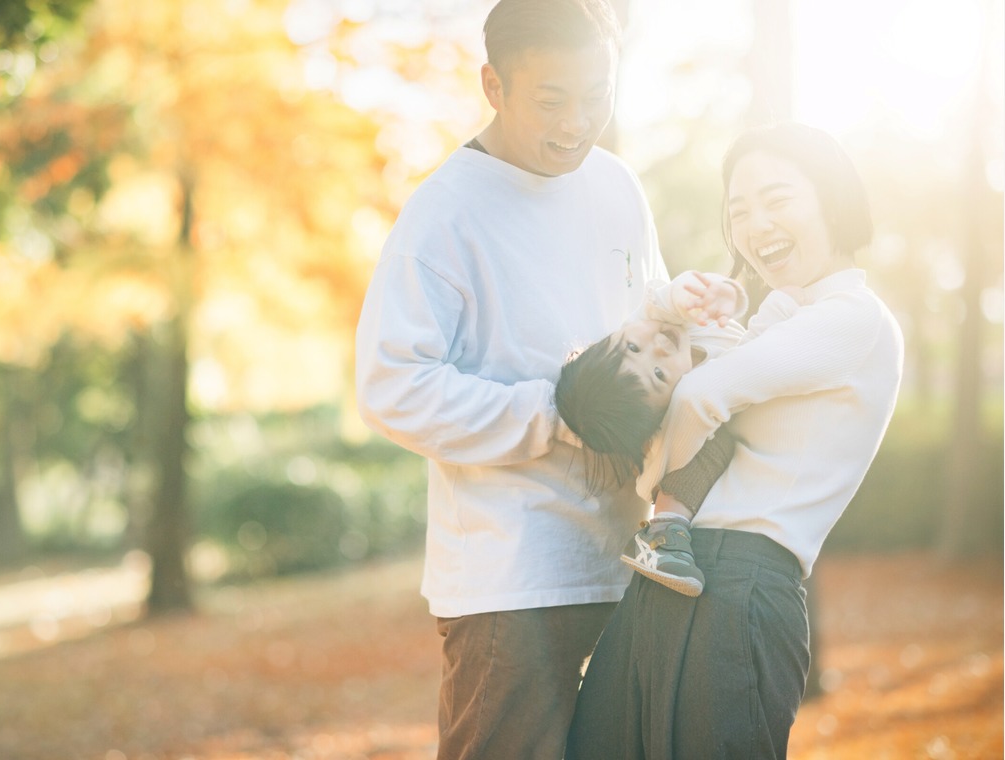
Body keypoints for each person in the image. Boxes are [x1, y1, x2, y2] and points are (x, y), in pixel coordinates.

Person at [354, 1, 666, 757]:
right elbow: (391, 385)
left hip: (630, 559)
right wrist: (555, 415)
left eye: (598, 95)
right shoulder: (443, 214)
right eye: (552, 100)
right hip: (512, 582)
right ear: (494, 85)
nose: (577, 123)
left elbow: (655, 329)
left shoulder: (616, 186)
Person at [564, 121, 905, 760]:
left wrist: (653, 486)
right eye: (739, 209)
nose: (755, 224)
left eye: (777, 199)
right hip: (673, 568)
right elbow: (685, 369)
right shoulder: (782, 315)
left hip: (741, 582)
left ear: (830, 196)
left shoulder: (853, 320)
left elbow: (697, 396)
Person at [555, 270, 750, 598]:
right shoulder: (682, 407)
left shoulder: (662, 317)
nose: (657, 348)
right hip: (678, 465)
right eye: (658, 375)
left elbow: (664, 300)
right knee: (711, 447)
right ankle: (664, 533)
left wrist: (700, 295)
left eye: (632, 346)